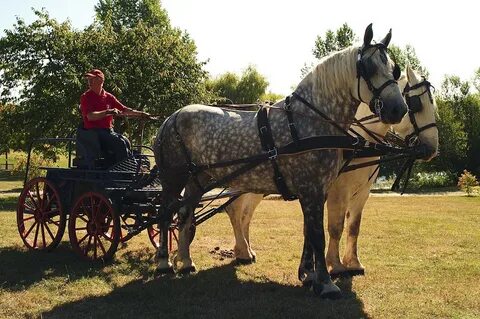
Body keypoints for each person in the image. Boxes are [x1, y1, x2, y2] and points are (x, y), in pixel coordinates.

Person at [80, 69, 150, 163]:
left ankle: (128, 165)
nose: (89, 82)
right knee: (119, 143)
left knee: (125, 141)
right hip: (94, 133)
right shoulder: (86, 97)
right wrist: (108, 112)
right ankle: (126, 170)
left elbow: (124, 110)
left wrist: (141, 114)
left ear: (100, 81)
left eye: (92, 79)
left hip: (108, 131)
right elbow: (90, 116)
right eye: (88, 79)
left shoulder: (109, 97)